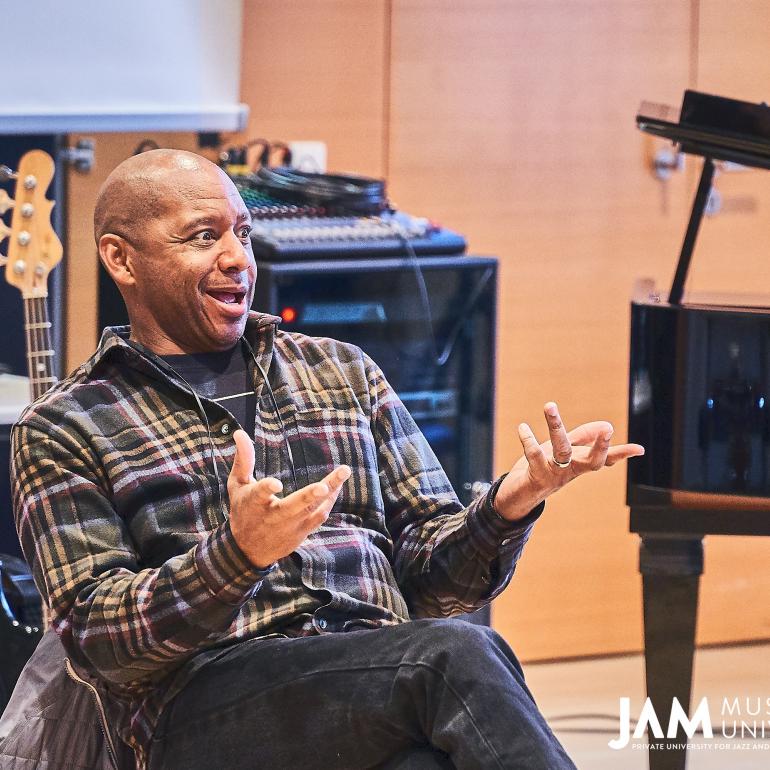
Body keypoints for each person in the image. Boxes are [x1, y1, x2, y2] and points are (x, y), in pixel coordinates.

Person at [8, 149, 643, 769]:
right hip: (205, 709)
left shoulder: (341, 372)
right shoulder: (64, 425)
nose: (236, 259)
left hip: (376, 672)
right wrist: (235, 559)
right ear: (122, 258)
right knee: (457, 656)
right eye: (203, 238)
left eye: (244, 234)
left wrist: (511, 502)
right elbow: (96, 644)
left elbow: (435, 581)